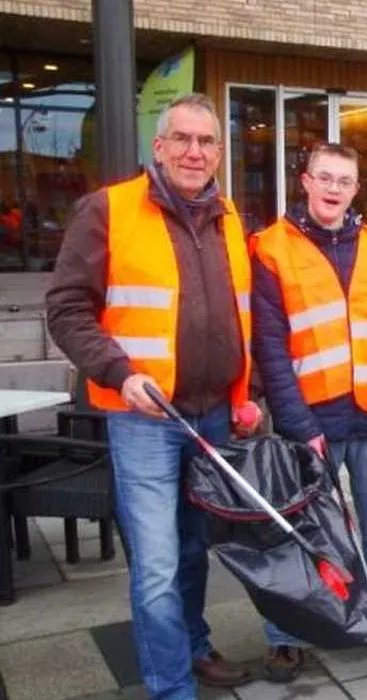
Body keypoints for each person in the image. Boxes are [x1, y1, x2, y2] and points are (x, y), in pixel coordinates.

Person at [45, 92, 261, 698]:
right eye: (182, 139)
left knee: (193, 549)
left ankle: (192, 648)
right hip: (145, 418)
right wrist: (118, 372)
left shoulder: (228, 216)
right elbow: (66, 308)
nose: (195, 151)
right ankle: (171, 687)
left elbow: (239, 315)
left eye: (207, 141)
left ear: (219, 152)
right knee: (158, 563)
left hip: (213, 415)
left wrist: (248, 394)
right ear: (159, 147)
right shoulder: (108, 209)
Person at [248, 142, 367, 682]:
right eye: (324, 177)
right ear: (305, 181)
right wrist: (298, 423)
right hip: (310, 424)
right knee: (300, 531)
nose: (333, 188)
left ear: (355, 189)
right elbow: (271, 348)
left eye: (344, 180)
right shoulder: (272, 248)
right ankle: (285, 637)